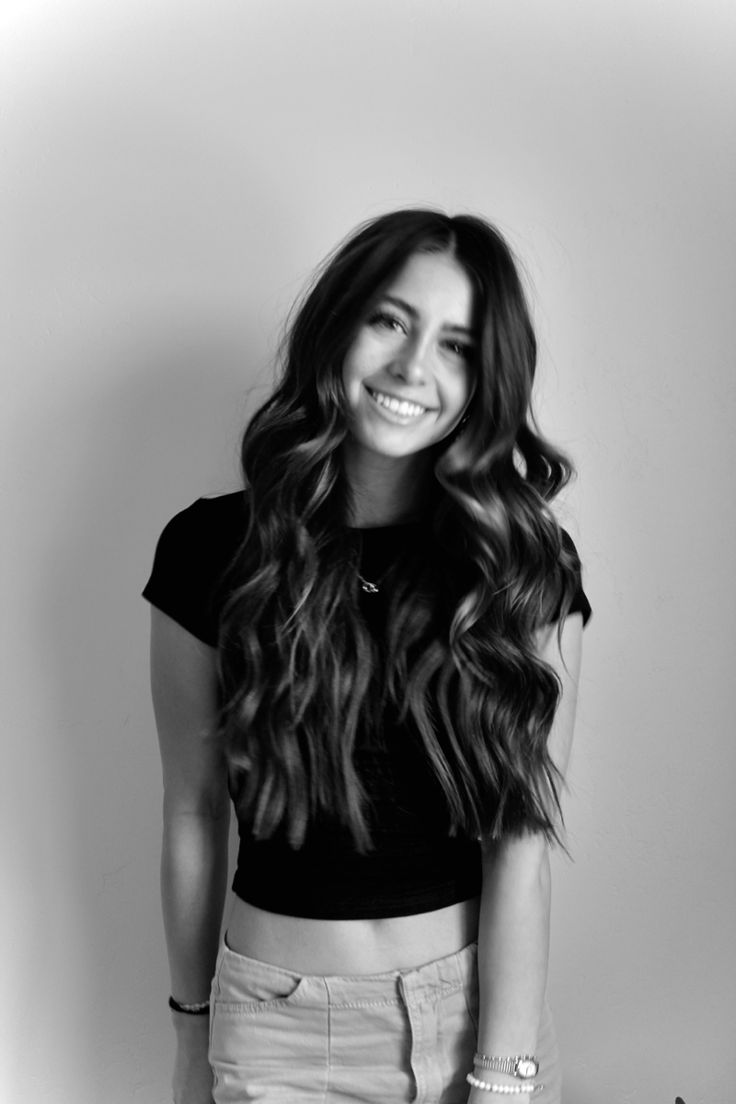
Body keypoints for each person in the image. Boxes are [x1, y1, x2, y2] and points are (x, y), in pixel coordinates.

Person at [143, 209, 591, 1104]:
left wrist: (503, 1081)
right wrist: (192, 1037)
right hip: (278, 1029)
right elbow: (194, 813)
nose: (413, 367)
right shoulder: (209, 551)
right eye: (391, 319)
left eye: (457, 345)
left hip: (474, 1016)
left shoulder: (520, 568)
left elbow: (520, 846)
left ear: (486, 381)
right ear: (338, 324)